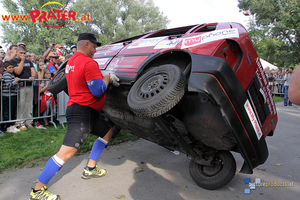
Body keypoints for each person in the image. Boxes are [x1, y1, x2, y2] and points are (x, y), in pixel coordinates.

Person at [29, 32, 120, 200]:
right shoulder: (89, 62)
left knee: (107, 133)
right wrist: (107, 78)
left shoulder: (71, 62)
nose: (95, 50)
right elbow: (97, 90)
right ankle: (37, 191)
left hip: (85, 110)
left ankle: (90, 168)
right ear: (86, 44)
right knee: (65, 153)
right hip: (82, 113)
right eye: (94, 46)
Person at [10, 46, 36, 130]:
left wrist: (32, 76)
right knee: (21, 104)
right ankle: (21, 122)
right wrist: (22, 61)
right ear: (17, 53)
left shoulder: (29, 61)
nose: (23, 54)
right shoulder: (13, 61)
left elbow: (33, 72)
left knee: (29, 104)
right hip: (20, 86)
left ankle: (29, 121)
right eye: (21, 53)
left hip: (29, 85)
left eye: (24, 53)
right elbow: (17, 72)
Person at [1, 61, 21, 133]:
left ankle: (12, 125)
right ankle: (8, 126)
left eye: (12, 67)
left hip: (13, 95)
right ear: (5, 68)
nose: (11, 69)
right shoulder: (6, 75)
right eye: (9, 67)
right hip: (7, 96)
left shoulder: (11, 74)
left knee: (12, 111)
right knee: (7, 112)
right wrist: (15, 81)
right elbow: (8, 85)